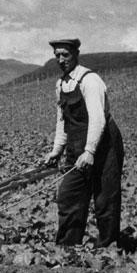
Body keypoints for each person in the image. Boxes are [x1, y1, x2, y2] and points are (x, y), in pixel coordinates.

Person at [42, 38, 124, 247]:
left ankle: (108, 249)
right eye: (57, 55)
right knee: (69, 196)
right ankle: (67, 249)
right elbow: (63, 121)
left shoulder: (90, 80)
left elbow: (98, 119)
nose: (61, 59)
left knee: (105, 199)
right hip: (77, 144)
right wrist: (56, 150)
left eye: (65, 55)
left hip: (105, 145)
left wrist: (89, 151)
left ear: (76, 54)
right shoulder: (61, 84)